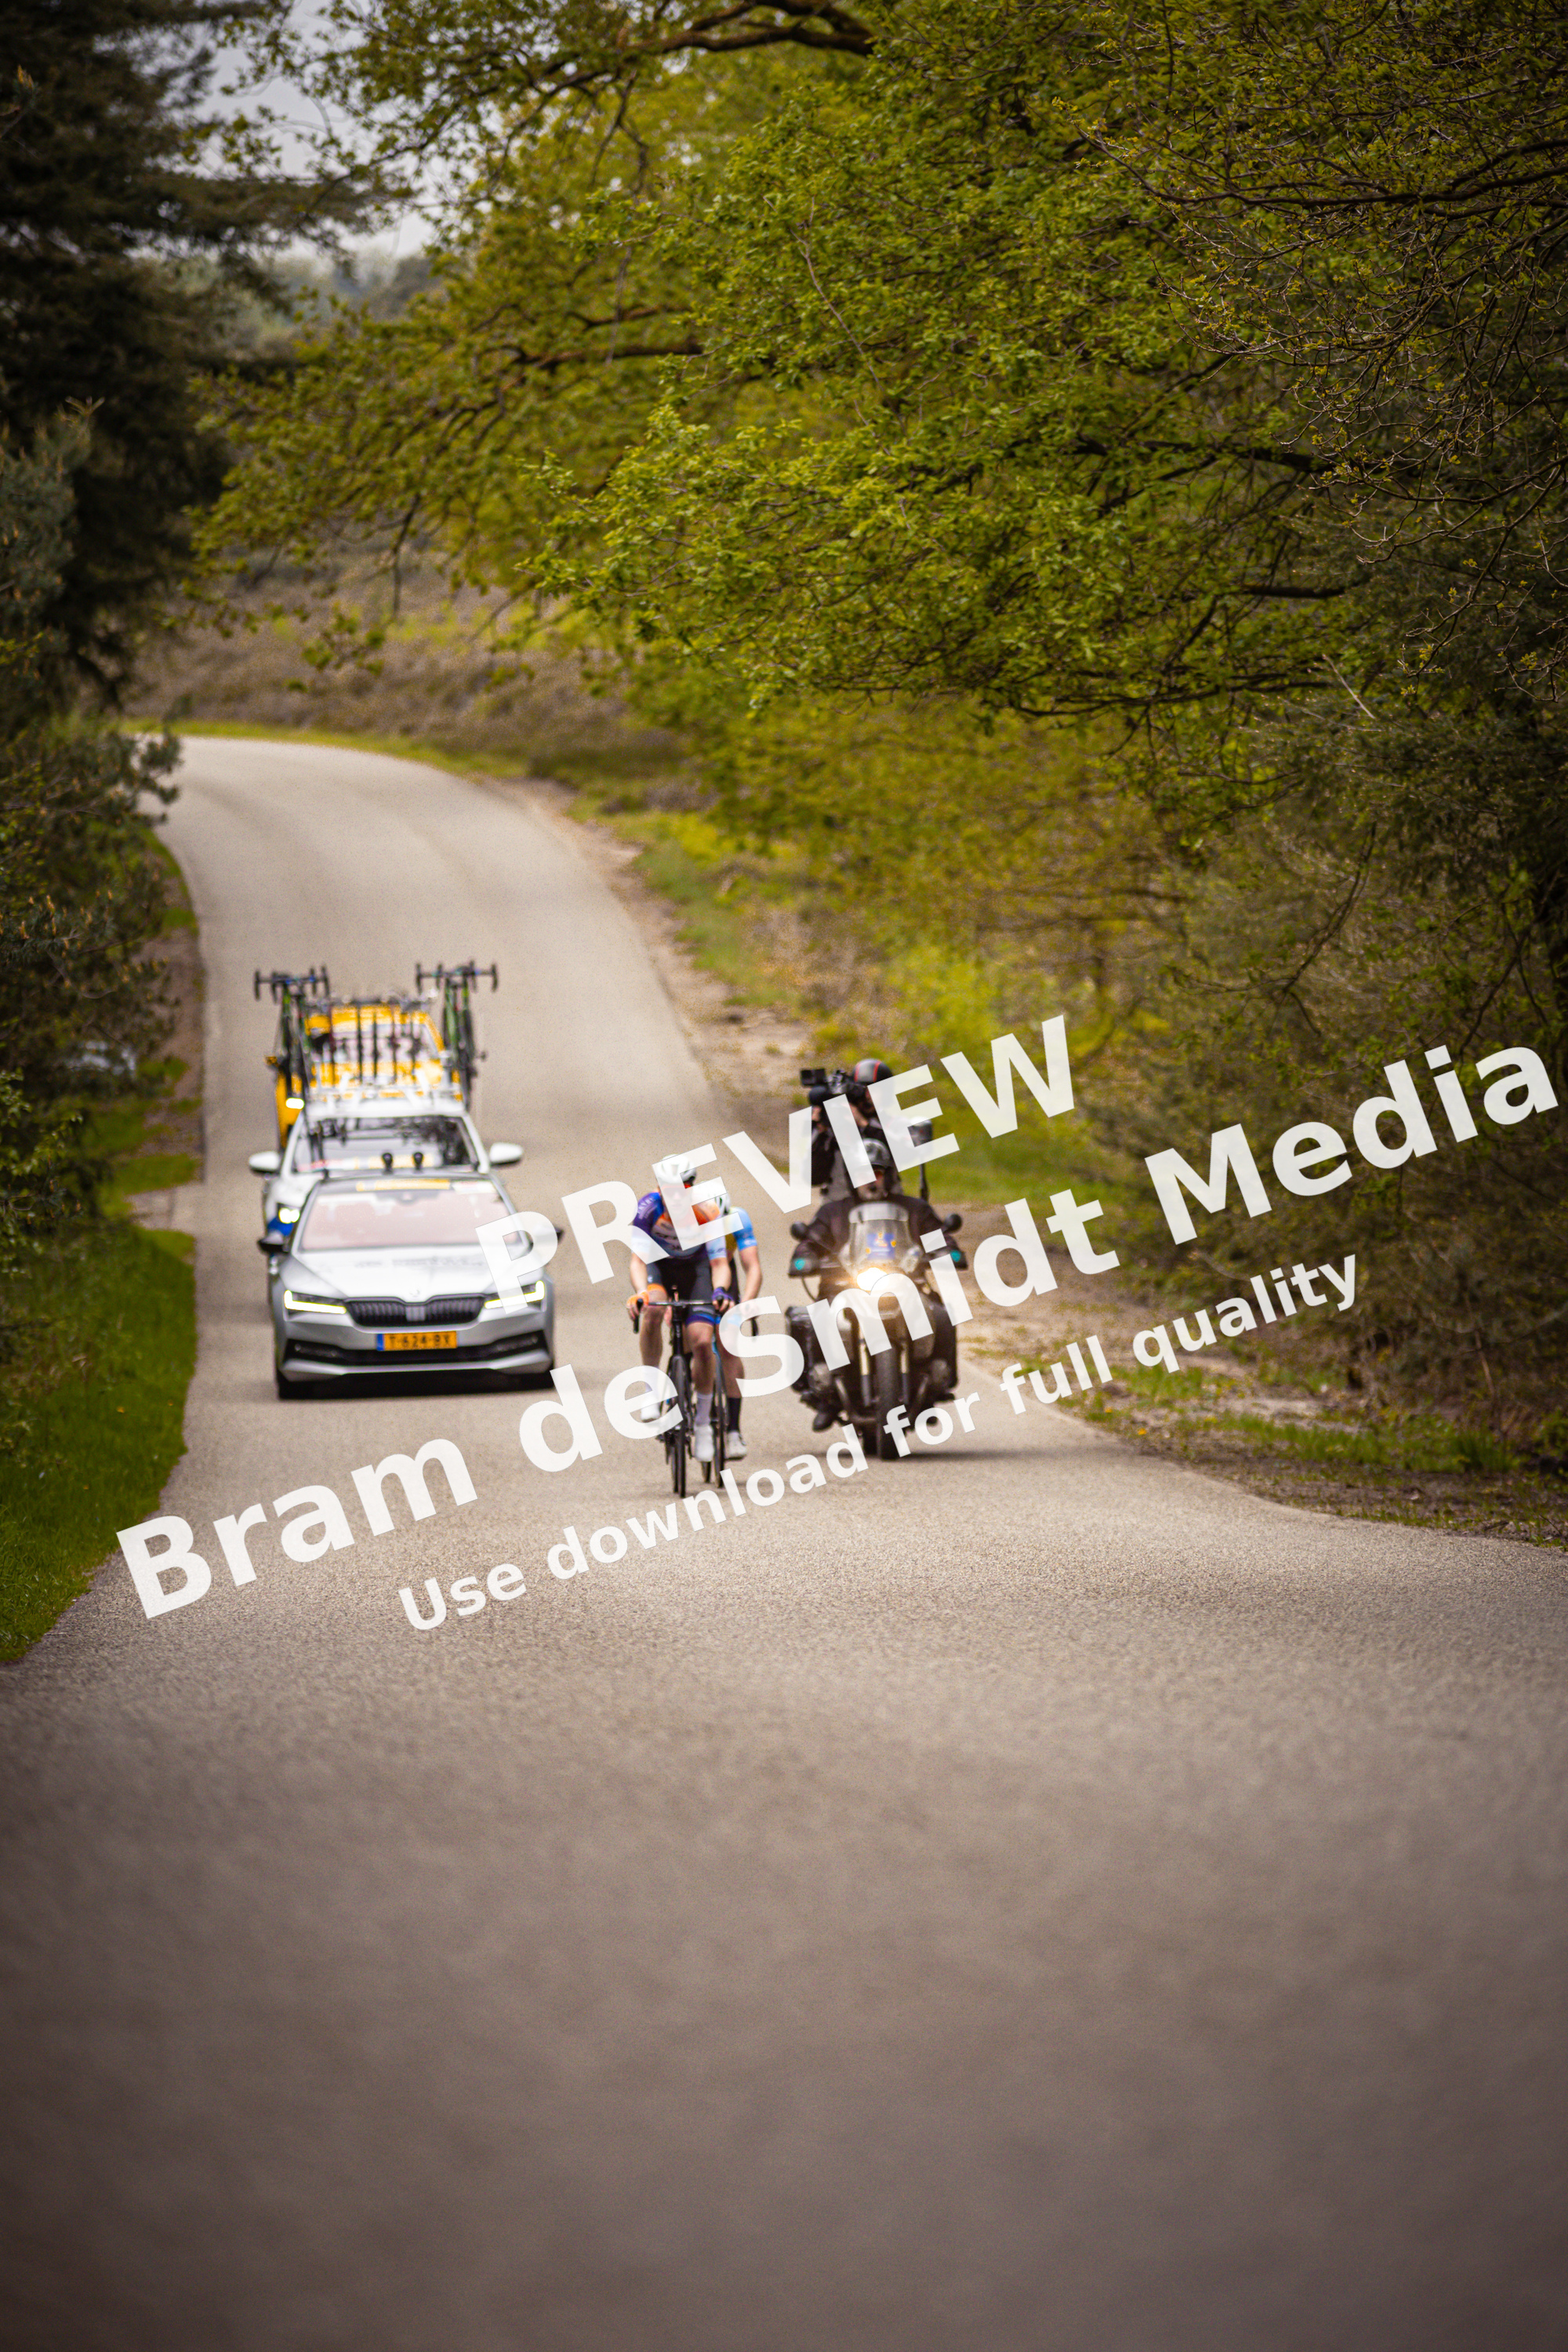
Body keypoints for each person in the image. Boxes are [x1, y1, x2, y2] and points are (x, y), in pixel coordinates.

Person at [794, 1135, 958, 1428]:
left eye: (877, 1172)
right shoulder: (833, 1212)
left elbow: (938, 1236)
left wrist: (948, 1249)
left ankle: (933, 1387)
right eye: (863, 1174)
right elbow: (811, 1241)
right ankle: (826, 1395)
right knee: (817, 1317)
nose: (871, 1180)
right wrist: (806, 1256)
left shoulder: (914, 1209)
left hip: (903, 1284)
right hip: (845, 1287)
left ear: (889, 1175)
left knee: (942, 1314)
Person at [627, 1153, 729, 1464]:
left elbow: (719, 1263)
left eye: (680, 1188)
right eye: (666, 1188)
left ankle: (703, 1425)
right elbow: (638, 1261)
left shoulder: (708, 1211)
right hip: (662, 1267)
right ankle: (650, 1388)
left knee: (701, 1341)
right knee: (654, 1310)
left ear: (690, 1186)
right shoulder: (648, 1208)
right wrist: (641, 1293)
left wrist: (720, 1290)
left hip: (696, 1270)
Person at [710, 1187, 764, 1460]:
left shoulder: (738, 1219)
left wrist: (747, 1302)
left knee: (729, 1347)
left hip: (724, 1279)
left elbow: (752, 1267)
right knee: (687, 1336)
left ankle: (733, 1429)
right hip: (691, 1274)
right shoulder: (685, 1225)